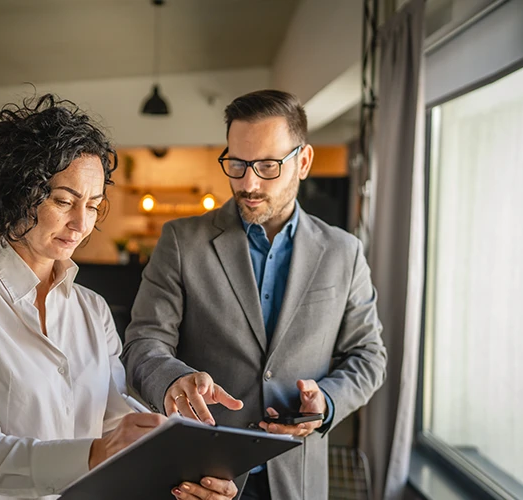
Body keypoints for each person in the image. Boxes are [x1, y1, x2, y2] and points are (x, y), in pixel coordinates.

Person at [0, 94, 238, 500]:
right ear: (17, 194)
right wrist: (94, 454)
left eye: (94, 205)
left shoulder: (92, 308)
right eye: (64, 201)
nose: (81, 224)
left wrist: (196, 466)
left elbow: (114, 420)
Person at [121, 89, 387, 500]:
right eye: (238, 163)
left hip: (297, 479)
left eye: (267, 165)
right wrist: (173, 379)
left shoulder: (343, 253)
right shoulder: (180, 242)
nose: (248, 183)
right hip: (199, 478)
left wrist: (327, 402)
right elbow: (143, 342)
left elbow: (369, 357)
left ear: (304, 161)